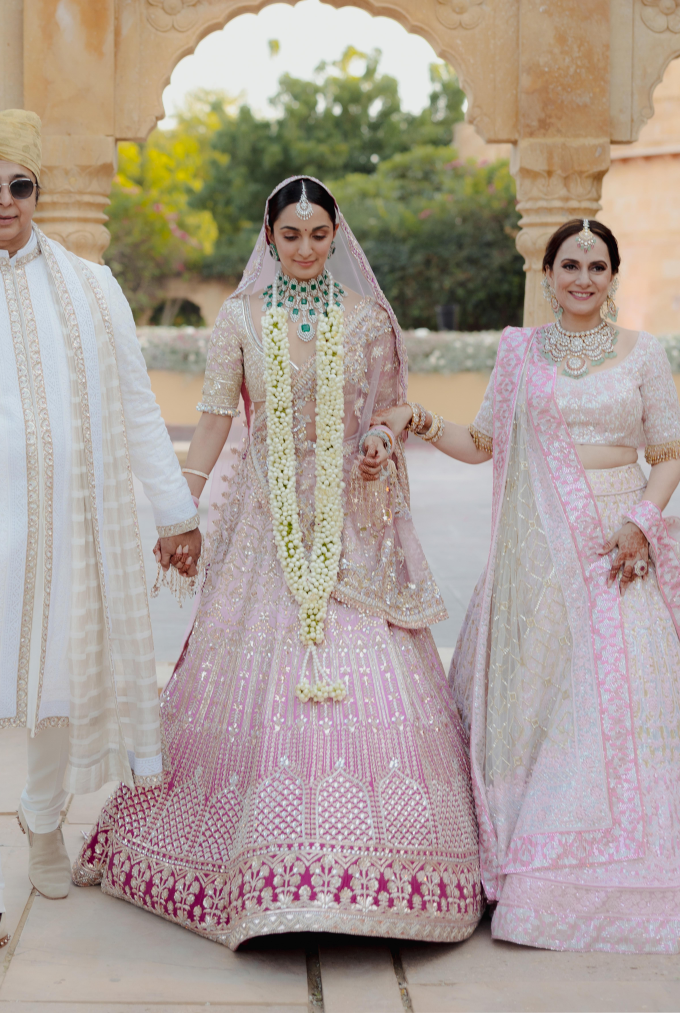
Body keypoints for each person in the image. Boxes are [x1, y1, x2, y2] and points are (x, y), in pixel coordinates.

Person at [74, 175, 482, 948]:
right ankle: (248, 865)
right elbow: (214, 425)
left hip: (353, 527)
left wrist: (381, 440)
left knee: (368, 675)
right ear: (269, 237)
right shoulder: (239, 318)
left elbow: (395, 406)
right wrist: (179, 510)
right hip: (263, 526)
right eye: (289, 236)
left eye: (317, 236)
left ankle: (379, 871)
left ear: (336, 237)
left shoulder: (367, 319)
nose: (303, 249)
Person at [0, 92, 201, 976]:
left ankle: (46, 819)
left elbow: (138, 406)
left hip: (75, 536)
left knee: (60, 689)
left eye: (22, 184)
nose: (8, 200)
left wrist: (176, 511)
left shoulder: (92, 286)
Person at [375, 218, 680, 952]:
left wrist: (642, 519)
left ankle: (599, 873)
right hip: (535, 558)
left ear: (613, 277)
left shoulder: (645, 355)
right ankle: (514, 860)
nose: (582, 277)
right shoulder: (519, 354)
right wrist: (416, 419)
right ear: (547, 274)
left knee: (614, 702)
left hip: (616, 546)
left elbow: (670, 452)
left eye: (596, 266)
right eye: (569, 264)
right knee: (535, 701)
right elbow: (483, 446)